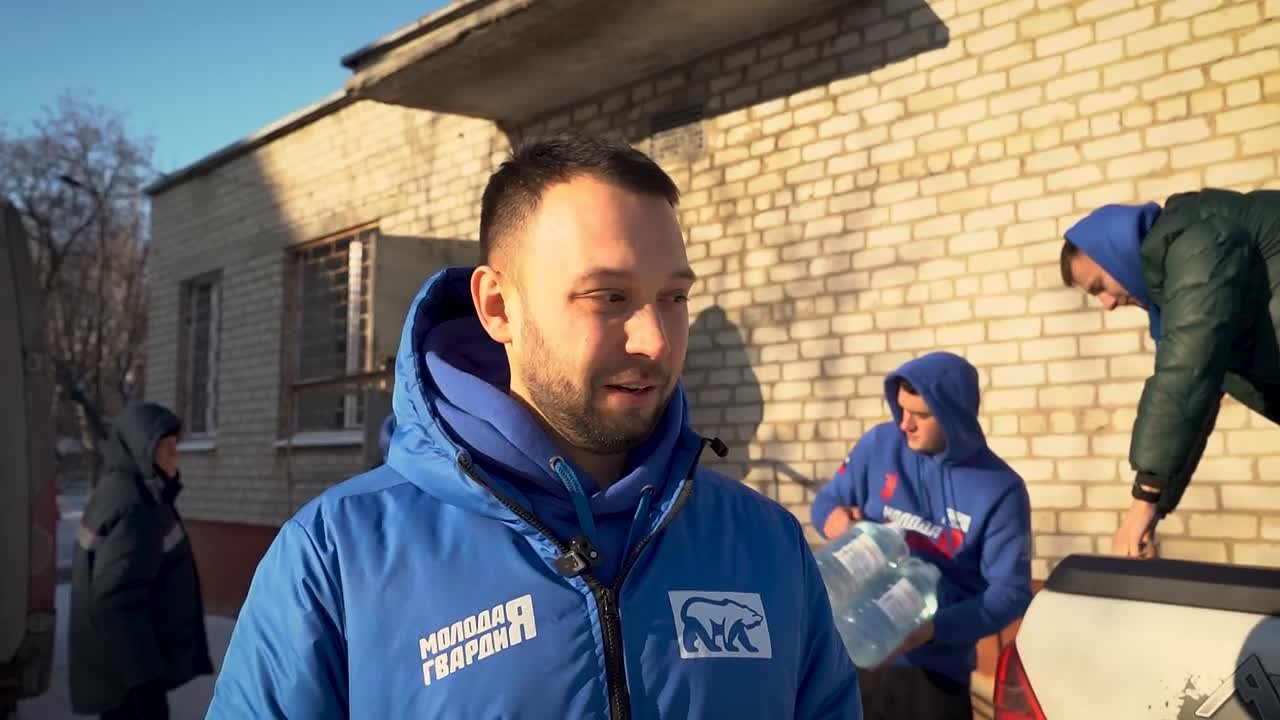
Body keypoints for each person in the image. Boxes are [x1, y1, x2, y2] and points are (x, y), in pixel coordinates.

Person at [208, 132, 861, 719]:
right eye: (608, 297)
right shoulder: (338, 555)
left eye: (674, 297)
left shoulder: (766, 544)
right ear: (498, 308)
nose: (657, 342)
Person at [810, 351, 1033, 720]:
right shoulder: (880, 445)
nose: (905, 424)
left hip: (934, 673)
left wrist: (933, 629)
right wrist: (834, 519)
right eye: (901, 410)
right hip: (852, 651)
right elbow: (827, 502)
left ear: (954, 416)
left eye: (921, 415)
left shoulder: (1000, 489)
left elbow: (1010, 594)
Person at [1059, 190, 1280, 557]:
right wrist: (1155, 505)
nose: (1107, 304)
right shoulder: (1185, 275)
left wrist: (1143, 502)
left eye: (1100, 287)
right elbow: (1197, 395)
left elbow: (1186, 370)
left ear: (1116, 253)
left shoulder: (1196, 240)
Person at [68, 402, 212, 720]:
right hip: (129, 680)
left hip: (117, 670)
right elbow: (117, 598)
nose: (174, 455)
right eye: (165, 446)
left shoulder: (119, 490)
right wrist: (144, 683)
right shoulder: (135, 506)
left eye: (175, 445)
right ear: (141, 449)